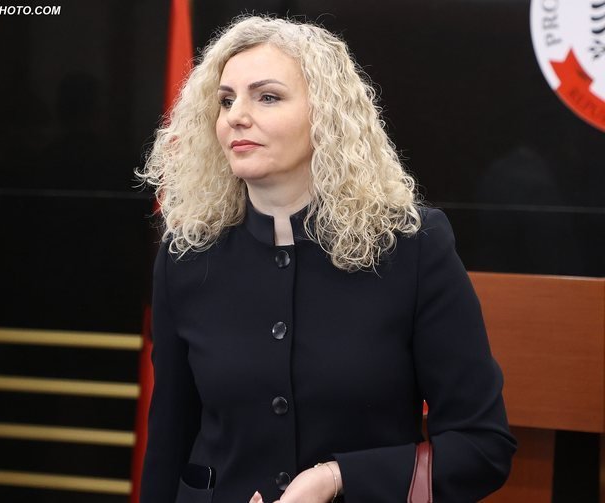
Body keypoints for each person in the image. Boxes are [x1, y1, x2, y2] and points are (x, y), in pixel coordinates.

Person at [138, 15, 516, 503]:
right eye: (226, 100)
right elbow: (168, 442)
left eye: (267, 97)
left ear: (327, 115)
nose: (236, 116)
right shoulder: (187, 255)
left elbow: (483, 447)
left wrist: (337, 478)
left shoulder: (412, 246)